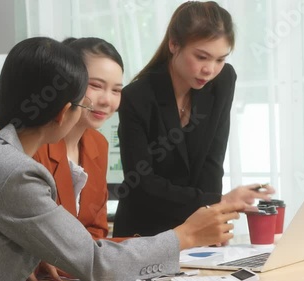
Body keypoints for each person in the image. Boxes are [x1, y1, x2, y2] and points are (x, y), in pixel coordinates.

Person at [0, 37, 246, 281]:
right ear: (65, 112)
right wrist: (185, 235)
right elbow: (94, 259)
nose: (102, 104)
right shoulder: (16, 173)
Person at [114, 1, 275, 238]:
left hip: (199, 230)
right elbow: (141, 184)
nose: (210, 70)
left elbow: (212, 161)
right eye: (201, 57)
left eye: (220, 59)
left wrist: (214, 220)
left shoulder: (223, 81)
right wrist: (219, 201)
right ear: (174, 44)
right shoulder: (136, 97)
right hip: (144, 233)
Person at [31, 37, 126, 280]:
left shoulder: (98, 144)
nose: (107, 100)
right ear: (69, 81)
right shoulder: (36, 144)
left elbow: (96, 228)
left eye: (116, 90)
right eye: (96, 85)